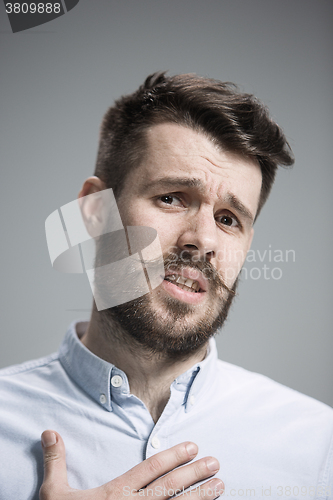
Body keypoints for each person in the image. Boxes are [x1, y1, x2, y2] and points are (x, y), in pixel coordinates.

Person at [0, 73, 332, 500]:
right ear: (94, 212)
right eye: (172, 197)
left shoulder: (317, 447)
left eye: (229, 218)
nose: (204, 240)